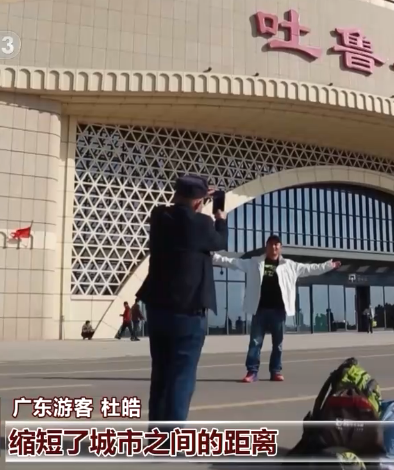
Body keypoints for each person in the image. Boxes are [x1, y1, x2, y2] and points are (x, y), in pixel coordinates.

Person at [135, 175, 227, 425]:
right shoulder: (202, 223)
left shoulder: (159, 217)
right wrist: (220, 219)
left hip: (158, 311)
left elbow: (181, 211)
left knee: (161, 377)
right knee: (181, 379)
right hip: (188, 313)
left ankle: (158, 436)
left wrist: (198, 196)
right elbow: (221, 241)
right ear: (198, 203)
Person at [212, 235, 340, 383]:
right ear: (266, 246)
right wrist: (214, 257)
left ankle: (275, 371)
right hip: (259, 309)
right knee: (255, 342)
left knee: (277, 344)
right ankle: (252, 372)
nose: (274, 247)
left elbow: (311, 269)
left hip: (278, 310)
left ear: (280, 247)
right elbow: (233, 262)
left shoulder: (289, 265)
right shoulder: (255, 263)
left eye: (276, 244)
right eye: (271, 244)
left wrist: (329, 265)